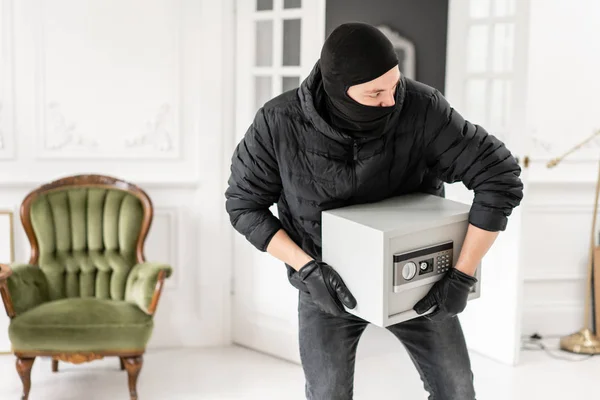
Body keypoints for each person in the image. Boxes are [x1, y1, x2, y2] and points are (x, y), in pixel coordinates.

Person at [225, 22, 523, 400]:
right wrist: (306, 268)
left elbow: (500, 176)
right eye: (375, 92)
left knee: (457, 391)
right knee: (327, 394)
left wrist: (462, 276)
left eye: (394, 84)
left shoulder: (422, 107)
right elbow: (243, 204)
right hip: (325, 284)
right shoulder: (277, 122)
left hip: (421, 283)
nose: (391, 100)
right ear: (338, 91)